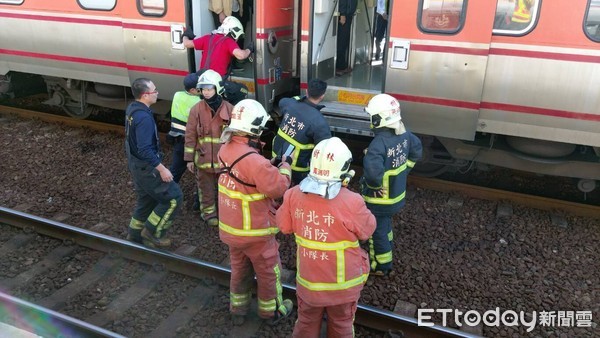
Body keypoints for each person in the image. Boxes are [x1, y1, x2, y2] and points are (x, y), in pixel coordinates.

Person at [276, 137, 376, 337]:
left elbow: (284, 226)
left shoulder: (293, 195)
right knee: (341, 326)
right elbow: (368, 230)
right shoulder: (353, 201)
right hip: (343, 288)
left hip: (308, 284)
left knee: (306, 323)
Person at [217, 99, 294, 326]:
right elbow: (278, 187)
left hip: (231, 230)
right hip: (255, 232)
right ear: (254, 129)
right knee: (270, 272)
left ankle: (238, 310)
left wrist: (265, 165)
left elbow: (246, 173)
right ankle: (272, 312)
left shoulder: (225, 148)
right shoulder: (255, 163)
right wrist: (284, 167)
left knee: (239, 270)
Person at [360, 94, 422, 276]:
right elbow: (416, 151)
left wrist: (373, 187)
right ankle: (387, 245)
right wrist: (405, 170)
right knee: (385, 226)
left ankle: (381, 266)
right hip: (396, 197)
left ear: (379, 118)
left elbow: (373, 175)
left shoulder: (377, 145)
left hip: (379, 202)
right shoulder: (405, 134)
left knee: (376, 232)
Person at [125, 78, 183, 248]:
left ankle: (134, 233)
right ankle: (152, 232)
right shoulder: (144, 118)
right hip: (147, 167)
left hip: (136, 165)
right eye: (154, 91)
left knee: (147, 200)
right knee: (174, 198)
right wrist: (162, 169)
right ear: (145, 96)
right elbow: (144, 149)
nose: (157, 93)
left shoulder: (132, 109)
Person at [184, 70, 233, 226]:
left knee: (227, 191)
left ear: (217, 89)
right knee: (206, 190)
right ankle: (209, 215)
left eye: (209, 89)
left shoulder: (229, 109)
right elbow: (190, 135)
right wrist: (189, 159)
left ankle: (227, 216)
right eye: (203, 89)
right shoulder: (196, 110)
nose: (206, 92)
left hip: (223, 162)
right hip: (204, 161)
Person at [271, 79, 331, 185]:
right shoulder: (320, 123)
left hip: (276, 157)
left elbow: (282, 102)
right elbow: (325, 149)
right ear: (322, 96)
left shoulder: (290, 104)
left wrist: (299, 99)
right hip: (297, 167)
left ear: (306, 92)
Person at [182, 16, 253, 78]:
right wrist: (249, 49)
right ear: (234, 32)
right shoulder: (228, 41)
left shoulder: (208, 37)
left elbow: (187, 43)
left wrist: (185, 35)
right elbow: (241, 55)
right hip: (216, 80)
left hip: (202, 78)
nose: (237, 39)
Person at [168, 73, 202, 184]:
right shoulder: (198, 102)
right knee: (200, 171)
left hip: (177, 138)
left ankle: (166, 193)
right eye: (199, 88)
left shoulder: (177, 95)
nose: (202, 90)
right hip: (189, 141)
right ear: (193, 90)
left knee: (175, 170)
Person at [336, 0, 358, 76]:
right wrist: (342, 14)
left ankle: (341, 65)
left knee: (345, 40)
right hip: (345, 15)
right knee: (342, 41)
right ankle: (340, 67)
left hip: (348, 14)